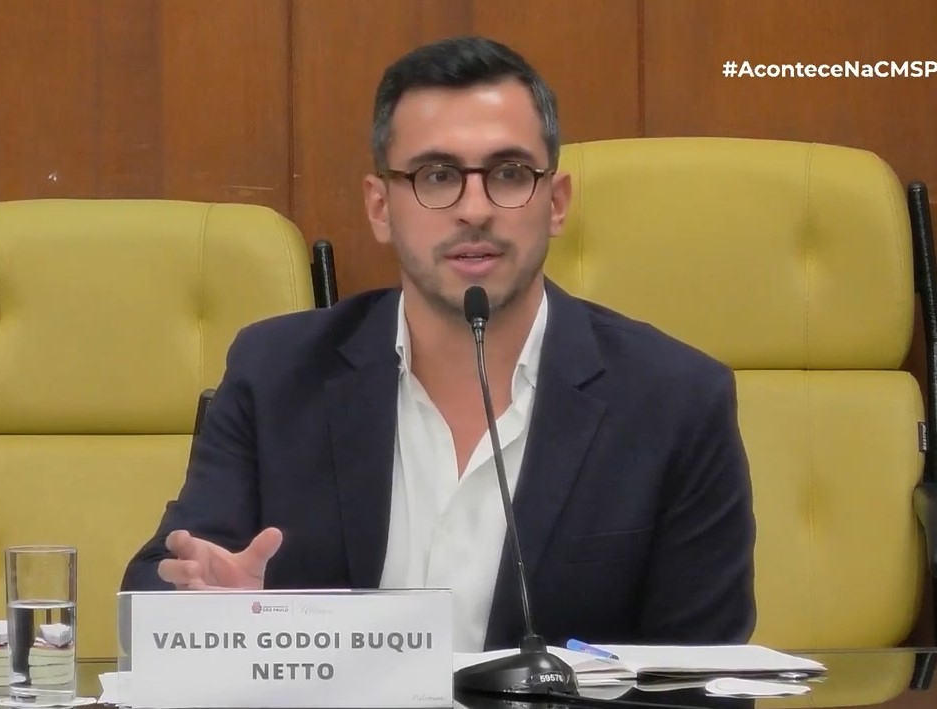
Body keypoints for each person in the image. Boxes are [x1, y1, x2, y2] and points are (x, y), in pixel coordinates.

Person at [121, 35, 756, 653]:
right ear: (380, 207)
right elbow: (160, 585)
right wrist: (212, 610)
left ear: (556, 203)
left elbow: (707, 675)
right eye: (437, 175)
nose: (474, 208)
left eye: (509, 173)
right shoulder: (277, 374)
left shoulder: (674, 401)